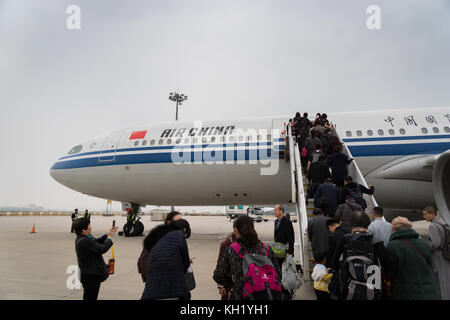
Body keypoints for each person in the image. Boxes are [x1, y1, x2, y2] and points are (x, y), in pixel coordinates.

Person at [213, 215, 282, 300]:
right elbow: (278, 275)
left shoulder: (231, 250)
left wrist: (232, 282)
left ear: (236, 230)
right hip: (266, 294)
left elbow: (218, 275)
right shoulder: (267, 249)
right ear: (253, 228)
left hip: (241, 295)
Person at [331, 212, 390, 300]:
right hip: (373, 287)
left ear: (352, 225)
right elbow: (387, 265)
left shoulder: (345, 239)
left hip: (348, 287)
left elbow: (334, 263)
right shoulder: (376, 240)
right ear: (368, 225)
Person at [386, 216, 441, 300]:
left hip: (405, 292)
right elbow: (430, 264)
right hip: (430, 291)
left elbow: (390, 270)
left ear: (394, 229)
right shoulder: (423, 243)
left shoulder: (392, 246)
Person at [141, 219, 191, 300]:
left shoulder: (156, 237)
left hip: (150, 290)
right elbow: (186, 264)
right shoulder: (179, 234)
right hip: (172, 291)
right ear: (184, 229)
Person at [74, 217, 118, 300]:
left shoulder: (84, 237)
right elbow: (102, 249)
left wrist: (108, 234)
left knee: (89, 296)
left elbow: (96, 242)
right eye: (89, 225)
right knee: (91, 297)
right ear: (83, 229)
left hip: (88, 274)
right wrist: (109, 239)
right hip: (91, 276)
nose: (91, 226)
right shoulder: (84, 241)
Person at [138, 211, 183, 282]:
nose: (181, 223)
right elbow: (145, 258)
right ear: (168, 222)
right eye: (177, 221)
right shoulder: (158, 236)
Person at [423, 206, 450, 299]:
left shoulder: (433, 225)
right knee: (446, 279)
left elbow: (434, 243)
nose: (424, 216)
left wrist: (425, 247)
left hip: (438, 256)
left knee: (439, 280)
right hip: (445, 254)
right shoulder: (443, 223)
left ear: (432, 214)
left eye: (425, 214)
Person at [216, 231, 238, 300]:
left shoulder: (252, 244)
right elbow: (220, 265)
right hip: (229, 285)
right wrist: (221, 285)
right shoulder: (226, 244)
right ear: (236, 230)